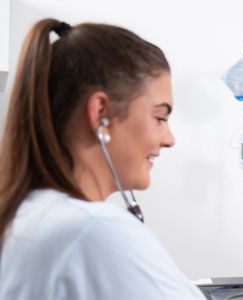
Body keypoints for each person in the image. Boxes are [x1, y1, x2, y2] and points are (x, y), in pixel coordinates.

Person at [0, 18, 208, 299]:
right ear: (100, 113)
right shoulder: (93, 229)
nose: (169, 139)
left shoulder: (22, 218)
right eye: (159, 117)